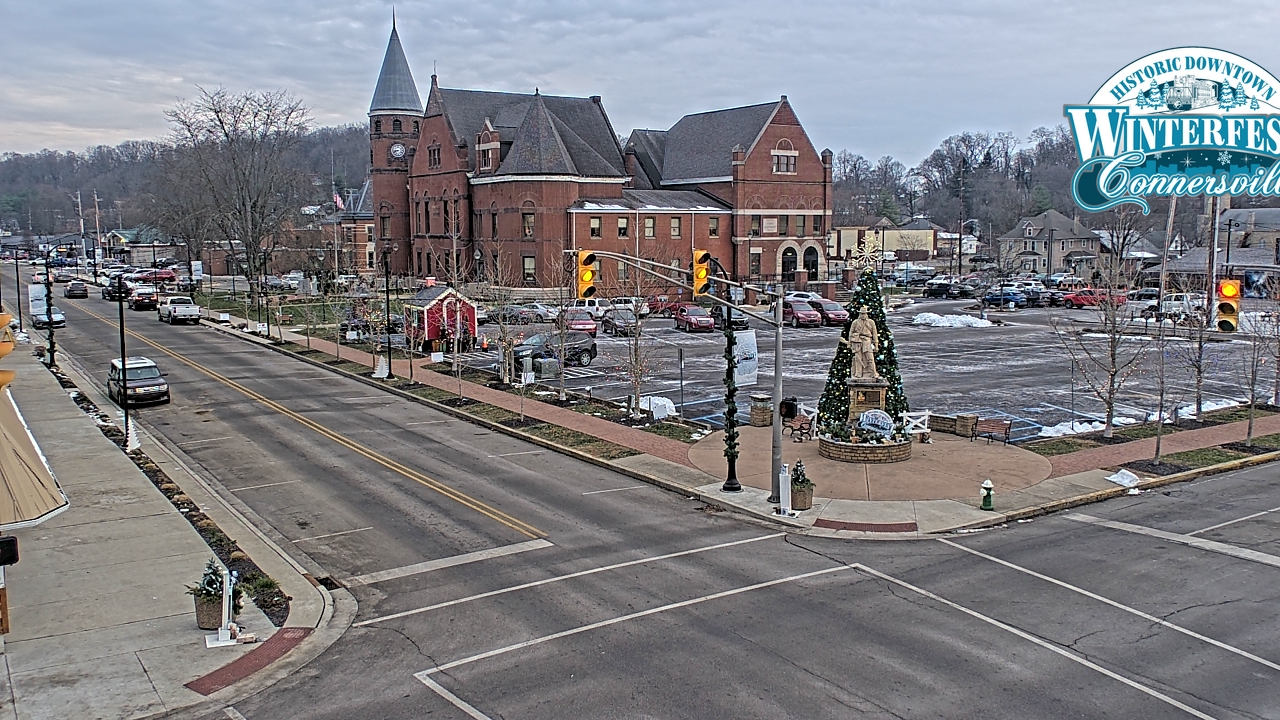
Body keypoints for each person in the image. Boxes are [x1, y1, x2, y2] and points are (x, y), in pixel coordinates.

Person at [850, 307, 880, 379]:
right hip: (857, 341)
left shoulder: (871, 322)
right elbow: (851, 333)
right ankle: (858, 373)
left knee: (870, 358)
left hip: (867, 341)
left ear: (867, 314)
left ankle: (873, 372)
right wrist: (850, 343)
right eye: (861, 314)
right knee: (858, 358)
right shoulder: (855, 322)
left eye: (864, 313)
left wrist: (876, 345)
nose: (863, 315)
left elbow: (875, 334)